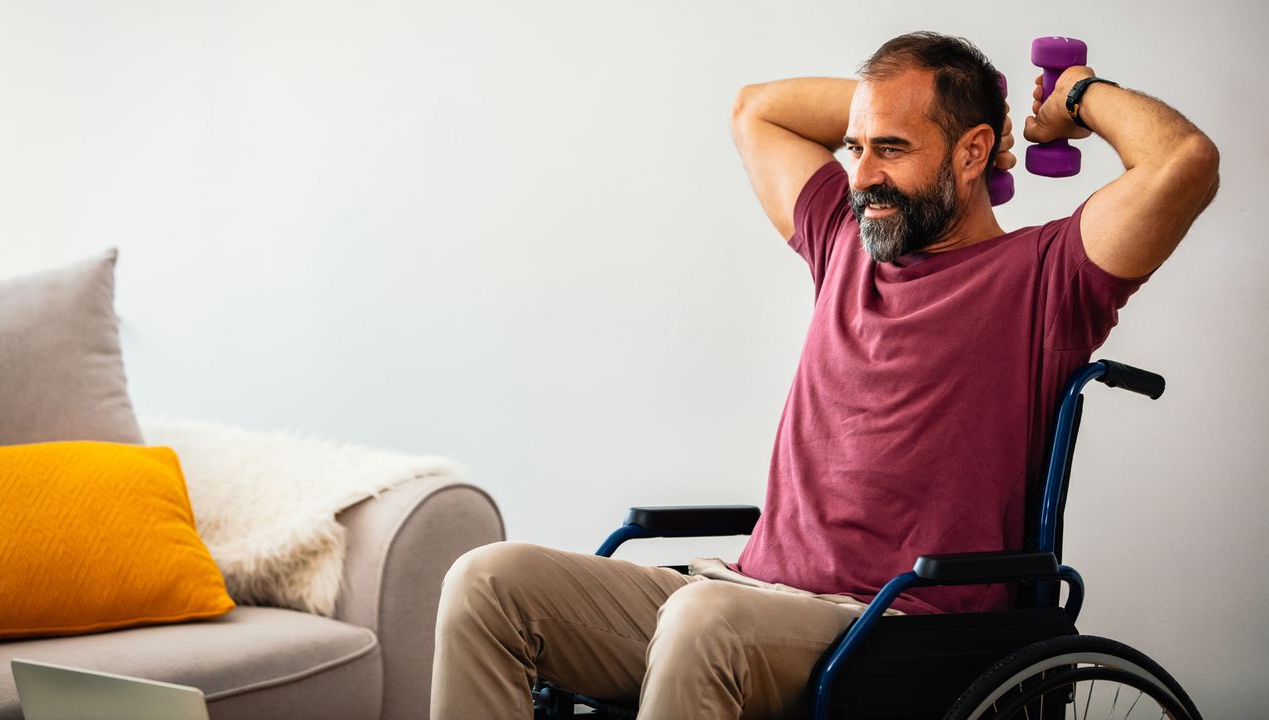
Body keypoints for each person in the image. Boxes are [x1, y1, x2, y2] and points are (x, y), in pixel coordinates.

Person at [429, 31, 1219, 720]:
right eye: (855, 147)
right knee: (488, 582)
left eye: (893, 149)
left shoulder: (1047, 276)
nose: (863, 173)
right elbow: (754, 110)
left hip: (893, 628)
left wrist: (1079, 94)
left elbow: (1185, 162)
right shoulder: (843, 238)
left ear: (973, 152)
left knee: (704, 622)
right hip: (739, 595)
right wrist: (890, 112)